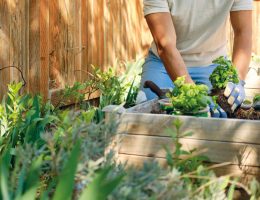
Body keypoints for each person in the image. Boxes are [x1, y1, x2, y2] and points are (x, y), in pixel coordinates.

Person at [139, 0, 253, 118]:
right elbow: (165, 45)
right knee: (149, 113)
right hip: (163, 65)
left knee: (222, 115)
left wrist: (237, 79)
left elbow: (243, 32)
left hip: (213, 66)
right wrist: (194, 94)